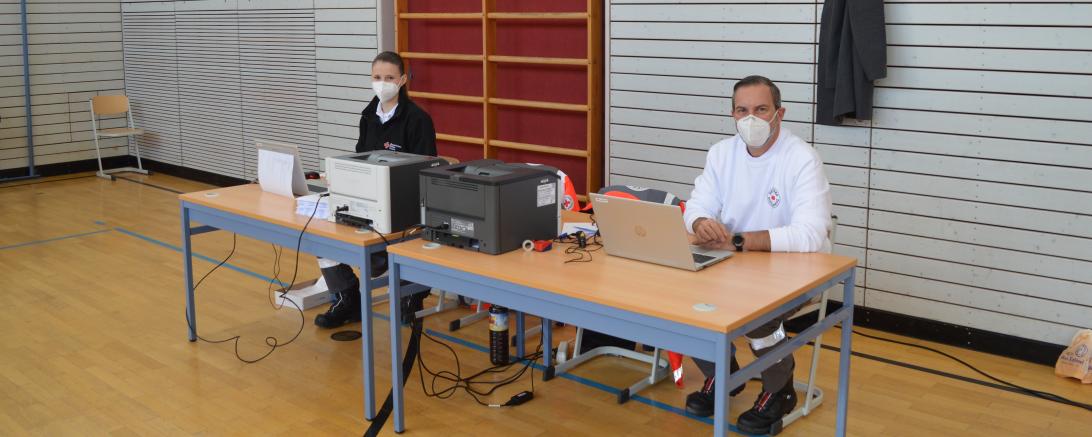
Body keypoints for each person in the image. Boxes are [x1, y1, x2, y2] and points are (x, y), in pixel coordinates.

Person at [681, 75, 832, 434]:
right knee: (678, 301)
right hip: (730, 264)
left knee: (759, 318)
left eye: (761, 109)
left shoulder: (802, 159)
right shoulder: (721, 153)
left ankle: (779, 391)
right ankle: (725, 374)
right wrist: (701, 221)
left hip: (794, 270)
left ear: (780, 113)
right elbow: (697, 204)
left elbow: (812, 233)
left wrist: (737, 241)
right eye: (742, 110)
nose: (751, 119)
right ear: (732, 114)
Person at [314, 51, 437, 329]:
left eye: (390, 78)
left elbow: (426, 172)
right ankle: (348, 298)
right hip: (366, 203)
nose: (383, 83)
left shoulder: (418, 120)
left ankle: (412, 295)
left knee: (406, 242)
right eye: (377, 78)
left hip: (404, 209)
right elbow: (360, 159)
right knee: (319, 233)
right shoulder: (368, 115)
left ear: (402, 80)